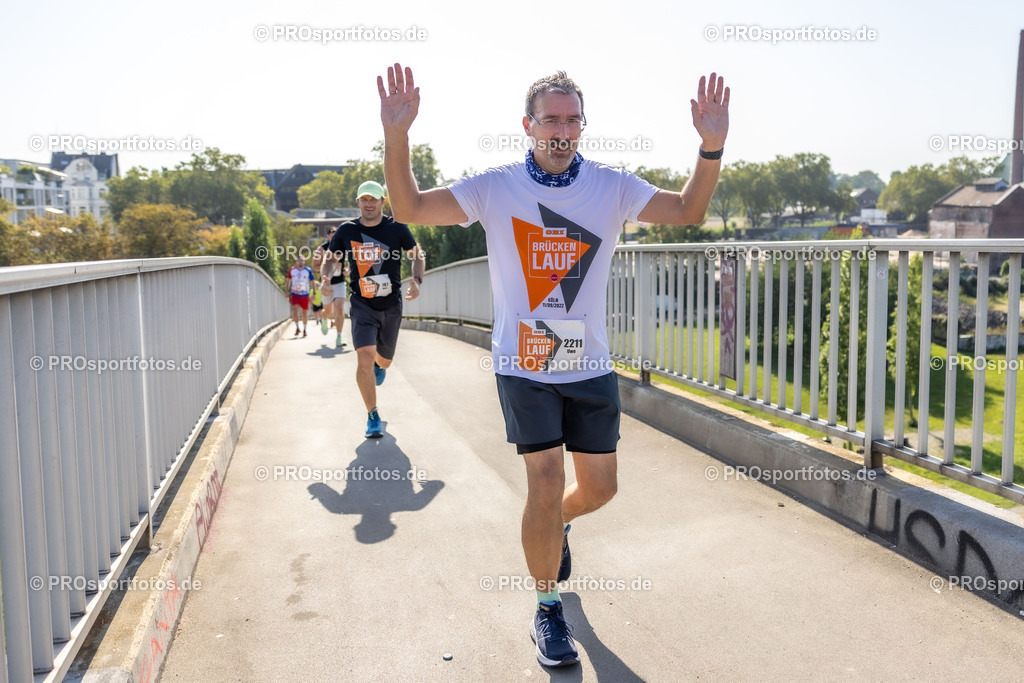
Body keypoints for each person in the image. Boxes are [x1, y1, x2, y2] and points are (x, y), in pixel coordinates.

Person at [377, 63, 729, 667]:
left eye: (572, 119)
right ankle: (547, 609)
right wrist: (398, 134)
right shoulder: (497, 186)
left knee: (599, 489)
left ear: (583, 126)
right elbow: (406, 205)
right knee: (542, 478)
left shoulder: (613, 186)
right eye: (551, 119)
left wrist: (711, 146)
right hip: (524, 359)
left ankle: (556, 524)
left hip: (588, 362)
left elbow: (689, 211)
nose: (562, 129)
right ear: (528, 125)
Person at [322, 180, 425, 438]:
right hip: (362, 303)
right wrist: (325, 278)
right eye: (364, 199)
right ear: (358, 202)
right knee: (364, 357)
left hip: (391, 303)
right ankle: (372, 415)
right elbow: (330, 260)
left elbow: (417, 255)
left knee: (384, 360)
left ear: (383, 201)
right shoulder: (346, 230)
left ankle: (381, 366)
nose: (369, 204)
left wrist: (417, 280)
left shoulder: (397, 227)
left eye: (374, 199)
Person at [314, 226, 348, 347]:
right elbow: (315, 266)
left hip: (339, 282)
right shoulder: (321, 249)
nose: (334, 235)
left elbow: (349, 264)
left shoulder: (343, 247)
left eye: (336, 233)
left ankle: (339, 337)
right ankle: (324, 319)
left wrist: (346, 270)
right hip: (327, 284)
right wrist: (327, 266)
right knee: (327, 311)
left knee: (339, 308)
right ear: (327, 236)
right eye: (331, 233)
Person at [286, 256, 315, 337]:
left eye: (302, 260)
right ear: (296, 262)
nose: (300, 262)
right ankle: (297, 327)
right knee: (294, 310)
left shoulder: (308, 270)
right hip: (295, 293)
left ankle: (305, 329)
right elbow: (288, 281)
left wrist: (314, 293)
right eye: (298, 260)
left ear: (304, 262)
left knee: (304, 312)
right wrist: (286, 292)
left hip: (305, 294)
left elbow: (312, 282)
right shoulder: (292, 270)